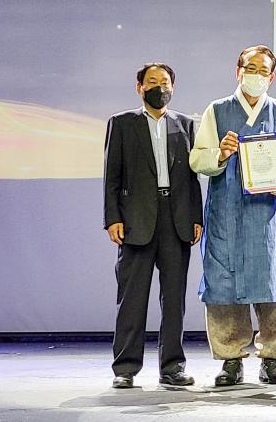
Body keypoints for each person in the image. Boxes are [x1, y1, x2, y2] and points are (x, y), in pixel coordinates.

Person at [189, 45, 276, 386]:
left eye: (263, 70)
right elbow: (197, 159)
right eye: (250, 68)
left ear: (272, 76)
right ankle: (230, 360)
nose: (256, 75)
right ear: (238, 71)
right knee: (224, 286)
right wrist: (220, 154)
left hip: (270, 216)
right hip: (227, 213)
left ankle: (273, 359)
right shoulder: (217, 110)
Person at [103, 63, 203, 389]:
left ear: (173, 87)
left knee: (174, 301)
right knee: (132, 299)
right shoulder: (121, 123)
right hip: (136, 221)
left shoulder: (185, 124)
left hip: (177, 220)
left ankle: (172, 367)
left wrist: (196, 217)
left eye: (165, 82)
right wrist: (112, 218)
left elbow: (192, 178)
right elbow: (112, 176)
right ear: (140, 87)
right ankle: (125, 368)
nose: (160, 87)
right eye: (152, 82)